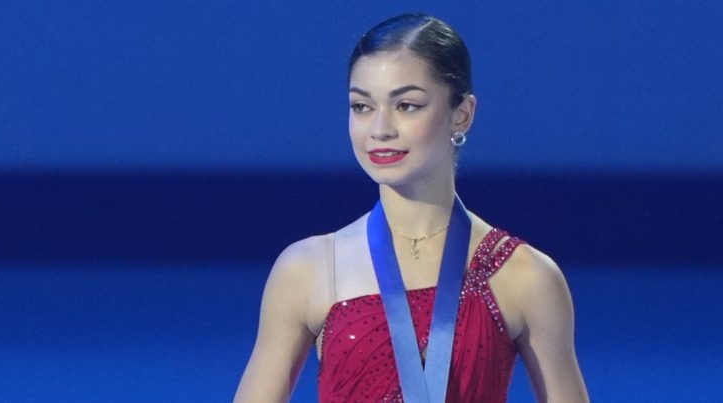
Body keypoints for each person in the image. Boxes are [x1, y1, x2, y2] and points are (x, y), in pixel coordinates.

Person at [235, 13, 588, 402]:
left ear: (462, 114)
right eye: (361, 106)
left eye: (406, 105)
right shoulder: (307, 269)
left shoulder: (525, 275)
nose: (380, 129)